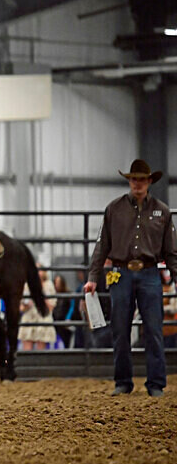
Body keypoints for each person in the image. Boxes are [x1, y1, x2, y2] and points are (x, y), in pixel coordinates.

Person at [85, 159, 177, 398]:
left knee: (154, 329)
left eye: (142, 179)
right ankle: (123, 381)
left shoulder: (162, 212)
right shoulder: (113, 209)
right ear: (129, 180)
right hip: (120, 272)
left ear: (149, 182)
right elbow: (101, 245)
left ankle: (156, 383)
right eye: (134, 179)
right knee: (120, 328)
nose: (138, 183)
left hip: (149, 272)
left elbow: (171, 252)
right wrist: (93, 276)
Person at [19, 266, 57, 350]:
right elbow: (21, 308)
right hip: (29, 318)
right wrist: (27, 303)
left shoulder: (48, 285)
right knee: (27, 351)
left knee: (40, 352)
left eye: (39, 270)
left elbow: (51, 306)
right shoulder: (26, 285)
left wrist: (40, 293)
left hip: (43, 318)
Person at [52, 275, 79, 348]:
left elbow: (72, 307)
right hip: (55, 323)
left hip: (65, 324)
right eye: (56, 283)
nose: (57, 285)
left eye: (59, 283)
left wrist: (68, 319)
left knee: (66, 343)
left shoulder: (68, 294)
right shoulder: (52, 295)